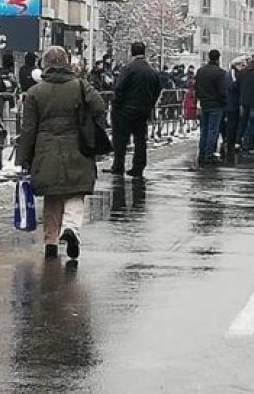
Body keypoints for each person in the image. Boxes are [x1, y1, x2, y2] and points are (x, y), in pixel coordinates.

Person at [17, 47, 106, 260]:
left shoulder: (35, 93)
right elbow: (99, 106)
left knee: (52, 194)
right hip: (77, 146)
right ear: (66, 63)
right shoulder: (80, 86)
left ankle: (50, 241)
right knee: (76, 192)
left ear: (44, 64)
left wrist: (24, 158)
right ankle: (71, 229)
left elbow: (28, 129)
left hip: (45, 149)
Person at [107, 42, 161, 177]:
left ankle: (118, 165)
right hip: (143, 110)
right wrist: (150, 103)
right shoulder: (152, 71)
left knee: (120, 140)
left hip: (125, 110)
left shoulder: (128, 69)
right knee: (140, 139)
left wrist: (116, 105)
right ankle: (138, 167)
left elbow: (119, 88)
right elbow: (158, 89)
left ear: (132, 52)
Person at [195, 49, 227, 165]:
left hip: (204, 104)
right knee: (213, 131)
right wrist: (224, 103)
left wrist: (200, 99)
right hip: (216, 104)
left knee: (204, 130)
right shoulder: (220, 73)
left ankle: (201, 155)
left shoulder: (200, 71)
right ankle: (209, 156)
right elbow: (222, 91)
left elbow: (196, 88)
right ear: (218, 58)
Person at [224, 57, 245, 155]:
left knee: (234, 123)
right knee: (232, 124)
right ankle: (231, 142)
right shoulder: (233, 74)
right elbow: (232, 86)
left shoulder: (232, 73)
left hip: (233, 102)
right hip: (232, 103)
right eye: (242, 65)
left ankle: (231, 141)